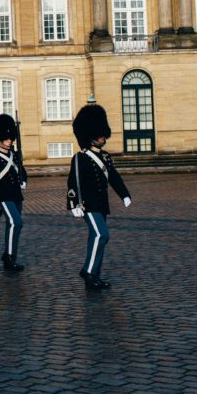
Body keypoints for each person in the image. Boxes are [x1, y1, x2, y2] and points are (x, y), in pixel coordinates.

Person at [67, 103, 133, 290]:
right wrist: (74, 204)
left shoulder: (105, 156)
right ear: (90, 135)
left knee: (97, 238)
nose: (103, 136)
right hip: (87, 205)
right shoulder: (80, 157)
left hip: (101, 204)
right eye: (99, 133)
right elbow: (74, 182)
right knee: (101, 234)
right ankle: (88, 271)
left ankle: (94, 275)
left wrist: (124, 195)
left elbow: (113, 177)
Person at [0, 114, 27, 272]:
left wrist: (24, 180)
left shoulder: (14, 155)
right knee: (16, 222)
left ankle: (10, 255)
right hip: (3, 196)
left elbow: (21, 171)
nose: (10, 140)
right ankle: (9, 257)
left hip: (16, 195)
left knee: (13, 225)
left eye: (11, 137)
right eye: (6, 138)